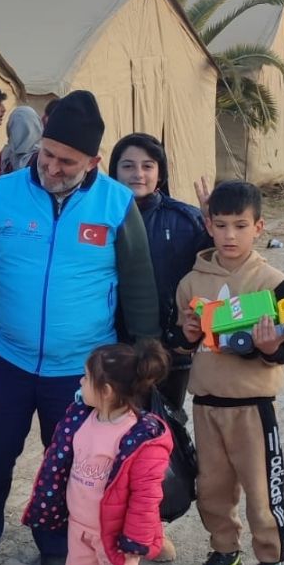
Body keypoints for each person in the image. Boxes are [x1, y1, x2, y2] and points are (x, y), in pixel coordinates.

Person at [0, 90, 160, 565]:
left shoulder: (116, 204)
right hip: (6, 358)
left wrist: (144, 355)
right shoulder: (7, 190)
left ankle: (57, 543)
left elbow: (138, 282)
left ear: (94, 160)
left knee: (73, 464)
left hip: (80, 369)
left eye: (66, 162)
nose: (52, 168)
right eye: (47, 154)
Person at [172, 181, 284, 565]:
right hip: (207, 404)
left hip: (253, 408)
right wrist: (189, 335)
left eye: (240, 225)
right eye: (220, 225)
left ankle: (271, 562)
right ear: (208, 226)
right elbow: (181, 340)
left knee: (261, 491)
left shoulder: (271, 281)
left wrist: (272, 346)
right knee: (212, 488)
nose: (230, 235)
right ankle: (225, 551)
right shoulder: (192, 281)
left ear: (258, 227)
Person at [22, 343, 173, 565]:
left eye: (86, 378)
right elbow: (58, 465)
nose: (80, 382)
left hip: (115, 533)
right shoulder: (80, 419)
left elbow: (146, 496)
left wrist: (135, 538)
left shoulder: (140, 436)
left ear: (105, 391)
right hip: (79, 524)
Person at [108, 133, 211, 411]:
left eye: (148, 166)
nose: (137, 174)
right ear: (114, 170)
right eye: (127, 166)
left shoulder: (185, 219)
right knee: (113, 425)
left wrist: (214, 230)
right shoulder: (100, 217)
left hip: (170, 349)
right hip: (110, 344)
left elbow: (212, 268)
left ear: (160, 172)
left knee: (165, 426)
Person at [0, 106, 42, 176]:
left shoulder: (40, 159)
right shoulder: (5, 154)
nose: (19, 134)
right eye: (15, 128)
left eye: (24, 130)